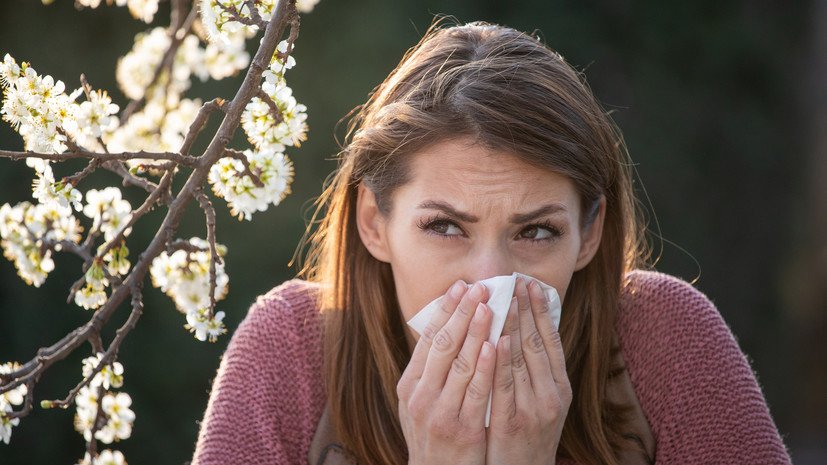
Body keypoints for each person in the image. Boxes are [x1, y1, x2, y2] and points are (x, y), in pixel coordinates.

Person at [191, 21, 791, 465]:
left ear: (589, 235)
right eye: (445, 226)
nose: (487, 278)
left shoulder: (662, 337)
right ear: (374, 223)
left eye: (536, 232)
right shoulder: (292, 350)